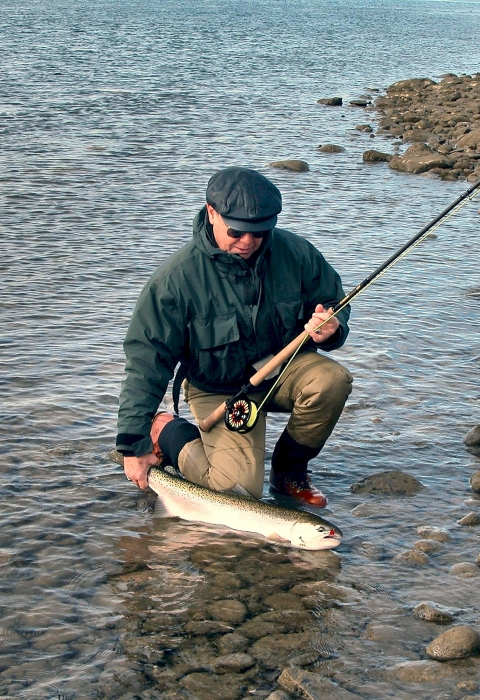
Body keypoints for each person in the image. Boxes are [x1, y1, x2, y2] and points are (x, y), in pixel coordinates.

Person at [116, 166, 353, 506]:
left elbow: (333, 301)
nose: (248, 242)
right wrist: (133, 443)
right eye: (237, 231)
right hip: (217, 389)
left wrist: (332, 325)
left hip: (279, 372)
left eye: (259, 233)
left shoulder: (295, 253)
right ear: (212, 212)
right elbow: (146, 363)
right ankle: (166, 430)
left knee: (331, 381)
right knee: (236, 493)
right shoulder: (175, 281)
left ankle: (289, 473)